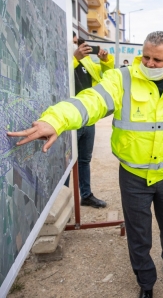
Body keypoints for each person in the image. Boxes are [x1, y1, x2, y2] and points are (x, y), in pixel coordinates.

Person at [8, 31, 163, 298]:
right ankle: (146, 283)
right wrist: (57, 119)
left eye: (157, 60)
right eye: (146, 57)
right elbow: (90, 101)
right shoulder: (122, 79)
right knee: (138, 232)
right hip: (134, 174)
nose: (149, 64)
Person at [68, 33, 113, 208]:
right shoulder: (65, 60)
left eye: (76, 41)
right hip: (69, 118)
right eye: (72, 42)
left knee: (84, 159)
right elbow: (60, 76)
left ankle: (86, 195)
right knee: (64, 162)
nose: (75, 44)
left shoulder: (86, 61)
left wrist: (105, 61)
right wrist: (74, 58)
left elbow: (105, 78)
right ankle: (59, 199)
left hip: (87, 116)